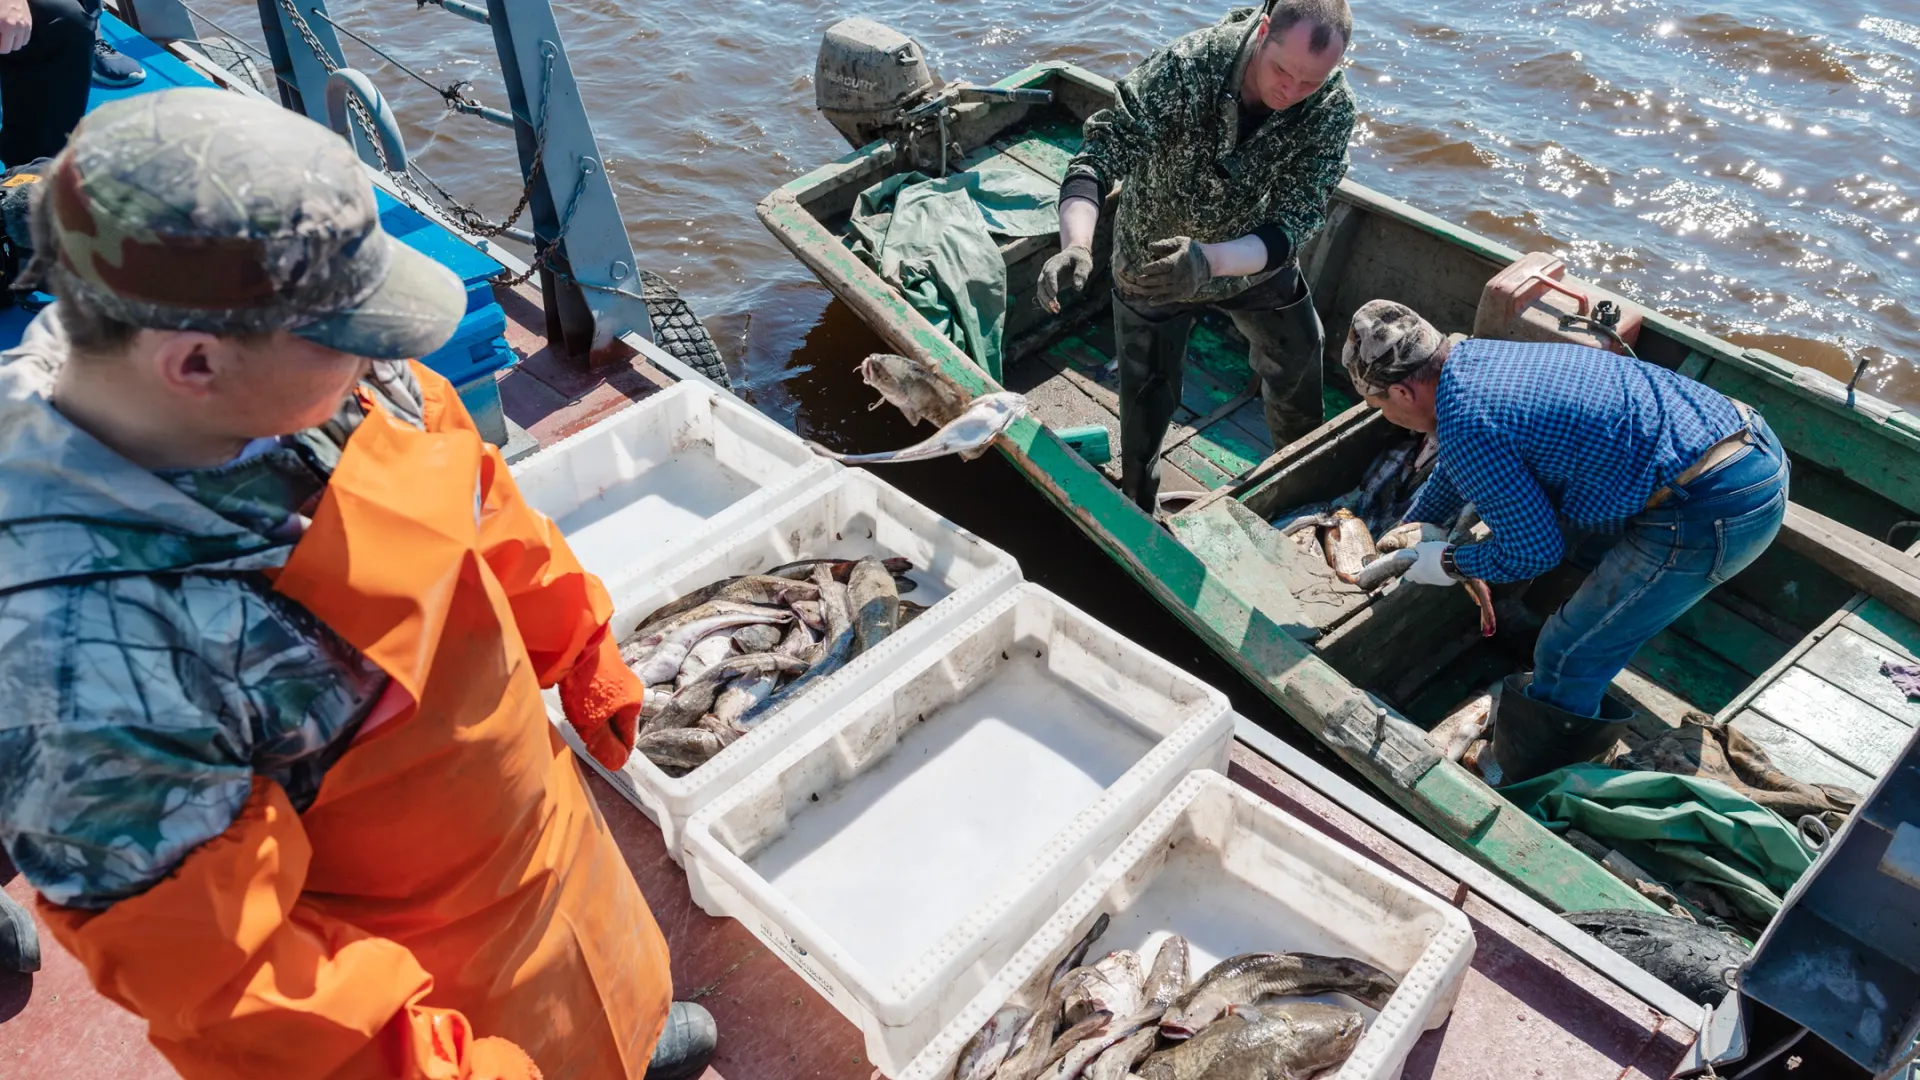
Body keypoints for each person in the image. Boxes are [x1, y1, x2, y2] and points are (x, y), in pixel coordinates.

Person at [0, 88, 714, 1079]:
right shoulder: (85, 661)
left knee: (594, 982)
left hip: (533, 856)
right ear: (195, 363)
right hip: (421, 1000)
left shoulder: (342, 384)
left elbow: (477, 498)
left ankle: (618, 1039)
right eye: (350, 332)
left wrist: (577, 638)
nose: (394, 351)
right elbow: (226, 980)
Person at [1342, 300, 1790, 784]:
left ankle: (1535, 781)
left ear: (1404, 391)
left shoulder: (1469, 420)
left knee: (1566, 654)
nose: (1388, 419)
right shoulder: (1473, 361)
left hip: (1713, 509)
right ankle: (1555, 638)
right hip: (1744, 440)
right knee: (1567, 536)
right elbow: (1459, 464)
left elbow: (1533, 551)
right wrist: (1406, 532)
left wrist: (1447, 561)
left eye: (1381, 406)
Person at [1037, 0, 1356, 511]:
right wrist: (1075, 244)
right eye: (1282, 70)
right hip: (1152, 263)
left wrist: (1209, 262)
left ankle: (1302, 486)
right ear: (1265, 31)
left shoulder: (1331, 110)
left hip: (1250, 259)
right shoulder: (1187, 67)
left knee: (1299, 354)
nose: (1290, 92)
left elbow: (1295, 221)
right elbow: (1099, 154)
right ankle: (1138, 499)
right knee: (1146, 397)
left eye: (1310, 83)